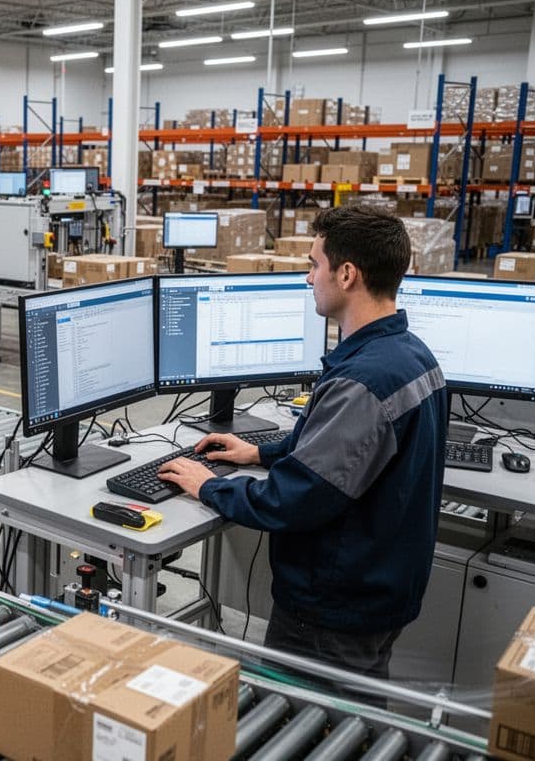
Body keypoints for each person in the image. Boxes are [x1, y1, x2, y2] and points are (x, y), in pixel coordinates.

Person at [158, 205, 448, 680]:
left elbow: (292, 500)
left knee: (305, 717)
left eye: (315, 264)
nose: (309, 277)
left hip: (333, 610)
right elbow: (349, 451)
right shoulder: (413, 355)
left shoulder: (362, 381)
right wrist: (260, 452)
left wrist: (208, 485)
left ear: (347, 274)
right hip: (381, 591)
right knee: (357, 710)